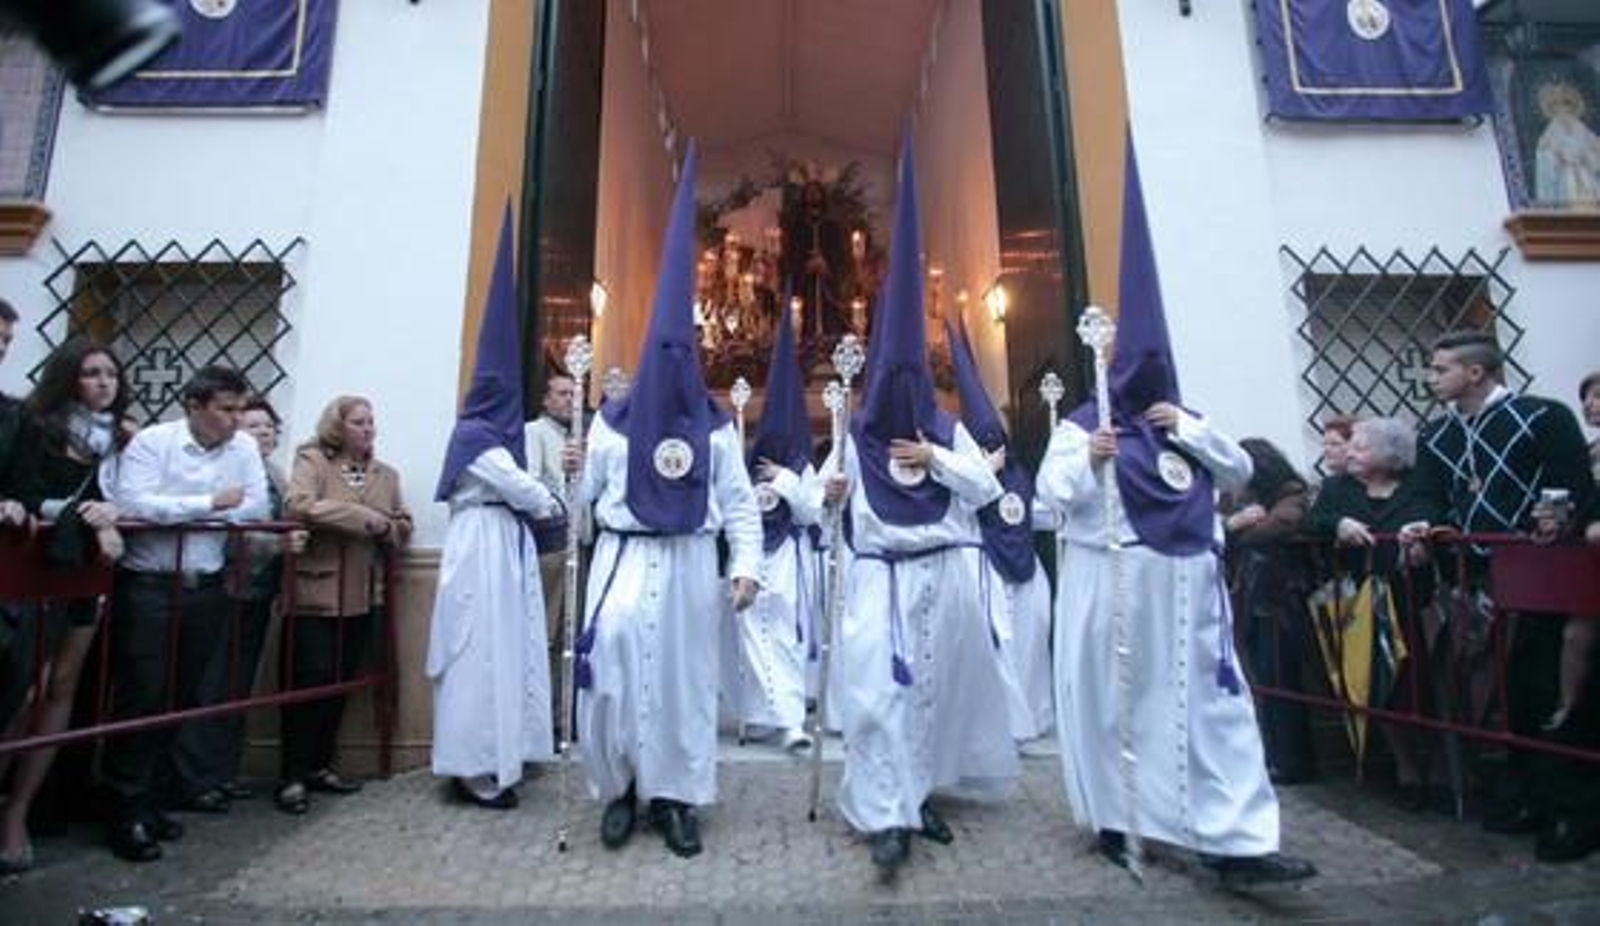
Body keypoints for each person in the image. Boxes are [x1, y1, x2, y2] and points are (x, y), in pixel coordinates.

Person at [1036, 137, 1314, 888]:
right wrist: (1091, 457)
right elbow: (1046, 503)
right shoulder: (1079, 425)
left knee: (1210, 707)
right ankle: (1121, 815)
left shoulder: (1184, 424)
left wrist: (1186, 427)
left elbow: (1243, 472)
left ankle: (1238, 838)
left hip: (1189, 582)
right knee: (1114, 705)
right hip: (1111, 580)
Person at [825, 140, 1016, 872]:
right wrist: (832, 493)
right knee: (879, 694)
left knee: (933, 694)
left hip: (943, 580)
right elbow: (814, 505)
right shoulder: (852, 435)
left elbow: (989, 490)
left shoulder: (945, 429)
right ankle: (883, 813)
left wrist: (936, 456)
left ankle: (919, 794)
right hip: (880, 580)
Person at [576, 143, 761, 859]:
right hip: (622, 558)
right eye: (664, 355)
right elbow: (583, 500)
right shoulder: (610, 424)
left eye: (685, 357)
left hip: (688, 562)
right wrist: (571, 472)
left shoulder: (715, 429)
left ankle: (677, 797)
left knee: (684, 684)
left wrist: (745, 565)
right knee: (613, 667)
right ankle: (619, 789)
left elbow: (740, 504)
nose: (674, 369)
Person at [1409, 330, 1595, 860]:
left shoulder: (1542, 416)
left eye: (1440, 368)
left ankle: (1573, 810)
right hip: (1476, 581)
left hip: (1544, 577)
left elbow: (1569, 485)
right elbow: (1428, 497)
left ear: (1475, 372)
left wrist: (1553, 519)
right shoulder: (1436, 435)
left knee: (1550, 692)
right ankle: (1530, 797)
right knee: (1506, 697)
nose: (1432, 377)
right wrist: (1426, 530)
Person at [427, 208, 564, 809]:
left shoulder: (492, 440)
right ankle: (474, 763)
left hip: (506, 545)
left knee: (515, 646)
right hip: (483, 545)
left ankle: (512, 748)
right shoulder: (476, 440)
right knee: (480, 650)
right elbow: (526, 491)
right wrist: (548, 497)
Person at [105, 365, 269, 862]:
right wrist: (211, 502)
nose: (236, 420)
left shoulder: (242, 449)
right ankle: (125, 811)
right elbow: (134, 505)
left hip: (207, 584)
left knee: (181, 693)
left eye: (241, 408)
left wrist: (187, 509)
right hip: (151, 585)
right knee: (142, 695)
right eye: (226, 409)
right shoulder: (155, 443)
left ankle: (154, 800)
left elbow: (256, 506)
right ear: (194, 406)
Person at [0, 338, 129, 873]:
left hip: (84, 571)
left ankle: (18, 811)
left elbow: (133, 492)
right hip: (34, 569)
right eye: (90, 373)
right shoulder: (35, 426)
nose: (104, 383)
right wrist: (82, 512)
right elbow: (20, 492)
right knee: (24, 689)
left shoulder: (121, 440)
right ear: (67, 379)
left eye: (111, 374)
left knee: (61, 689)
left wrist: (113, 513)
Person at [166, 395, 303, 814]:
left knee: (236, 686)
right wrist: (279, 543)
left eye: (268, 426)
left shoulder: (275, 474)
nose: (263, 433)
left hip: (258, 593)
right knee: (211, 686)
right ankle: (192, 779)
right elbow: (230, 532)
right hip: (227, 588)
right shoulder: (231, 474)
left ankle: (220, 774)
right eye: (253, 426)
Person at [275, 395, 409, 815]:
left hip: (363, 594)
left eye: (371, 421)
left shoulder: (386, 475)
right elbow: (299, 505)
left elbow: (401, 524)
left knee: (341, 681)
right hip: (317, 592)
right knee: (307, 680)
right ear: (338, 425)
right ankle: (292, 774)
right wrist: (361, 519)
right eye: (358, 422)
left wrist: (386, 526)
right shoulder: (313, 460)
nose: (368, 428)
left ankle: (320, 764)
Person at [1306, 418, 1437, 809]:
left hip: (1413, 598)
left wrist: (1423, 534)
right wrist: (1338, 523)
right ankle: (1406, 767)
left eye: (1361, 447)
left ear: (1389, 454)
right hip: (1364, 602)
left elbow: (1436, 515)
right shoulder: (1336, 488)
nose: (1351, 452)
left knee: (1427, 682)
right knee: (1382, 683)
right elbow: (1314, 522)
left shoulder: (1417, 486)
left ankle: (1445, 765)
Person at [946, 317, 1053, 743]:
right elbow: (959, 509)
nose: (994, 447)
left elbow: (1042, 513)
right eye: (983, 442)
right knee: (995, 647)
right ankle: (1001, 725)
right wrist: (978, 476)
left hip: (1026, 575)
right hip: (982, 571)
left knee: (1029, 644)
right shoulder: (964, 475)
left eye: (998, 441)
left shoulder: (1022, 477)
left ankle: (1032, 717)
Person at [727, 298, 821, 752]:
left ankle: (788, 714)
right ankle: (769, 716)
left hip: (791, 558)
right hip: (755, 559)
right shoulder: (743, 463)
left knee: (784, 635)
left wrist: (785, 481)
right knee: (752, 633)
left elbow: (813, 512)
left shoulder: (800, 466)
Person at [1225, 437, 1315, 786]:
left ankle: (1291, 759)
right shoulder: (1248, 501)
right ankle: (1274, 753)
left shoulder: (1291, 494)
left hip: (1280, 600)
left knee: (1279, 676)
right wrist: (1236, 524)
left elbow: (1278, 527)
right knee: (1262, 679)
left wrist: (1237, 530)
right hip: (1255, 598)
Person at [525, 370, 579, 695]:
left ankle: (563, 710)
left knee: (568, 631)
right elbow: (532, 480)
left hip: (578, 543)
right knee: (547, 627)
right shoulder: (535, 431)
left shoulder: (577, 437)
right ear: (546, 399)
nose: (569, 400)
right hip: (552, 544)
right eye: (562, 393)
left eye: (573, 394)